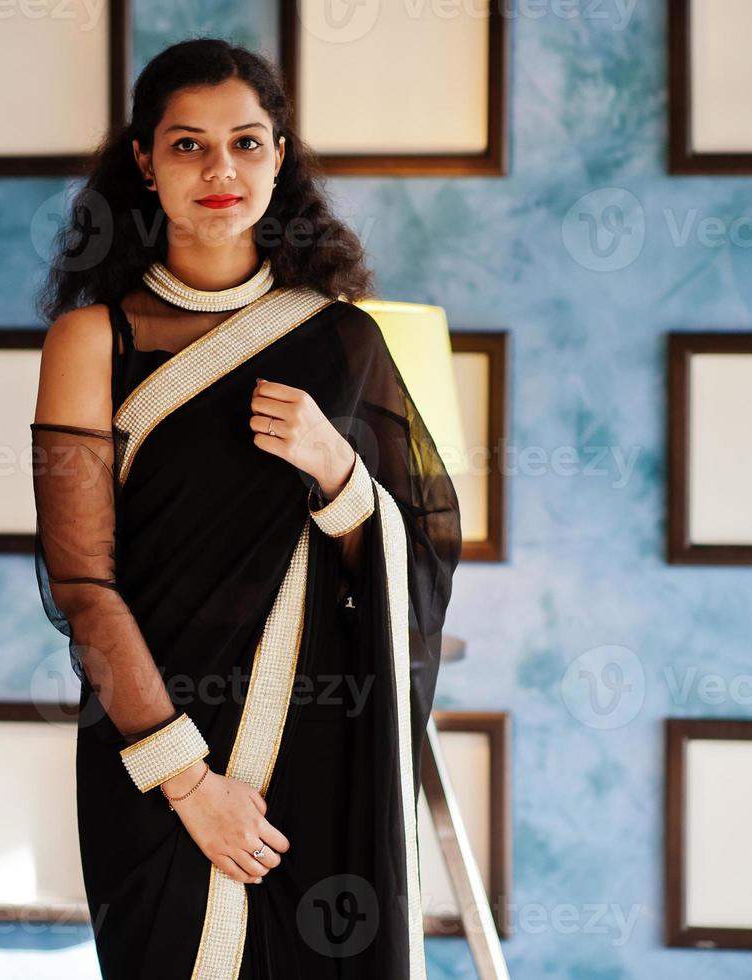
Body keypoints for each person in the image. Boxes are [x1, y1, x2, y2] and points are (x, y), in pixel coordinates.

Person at [29, 38, 462, 980]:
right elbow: (82, 586)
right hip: (149, 752)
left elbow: (415, 548)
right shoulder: (90, 342)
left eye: (247, 142)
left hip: (315, 740)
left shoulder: (341, 338)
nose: (221, 170)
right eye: (188, 146)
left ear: (279, 154)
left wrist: (339, 471)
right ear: (143, 160)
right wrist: (187, 783)